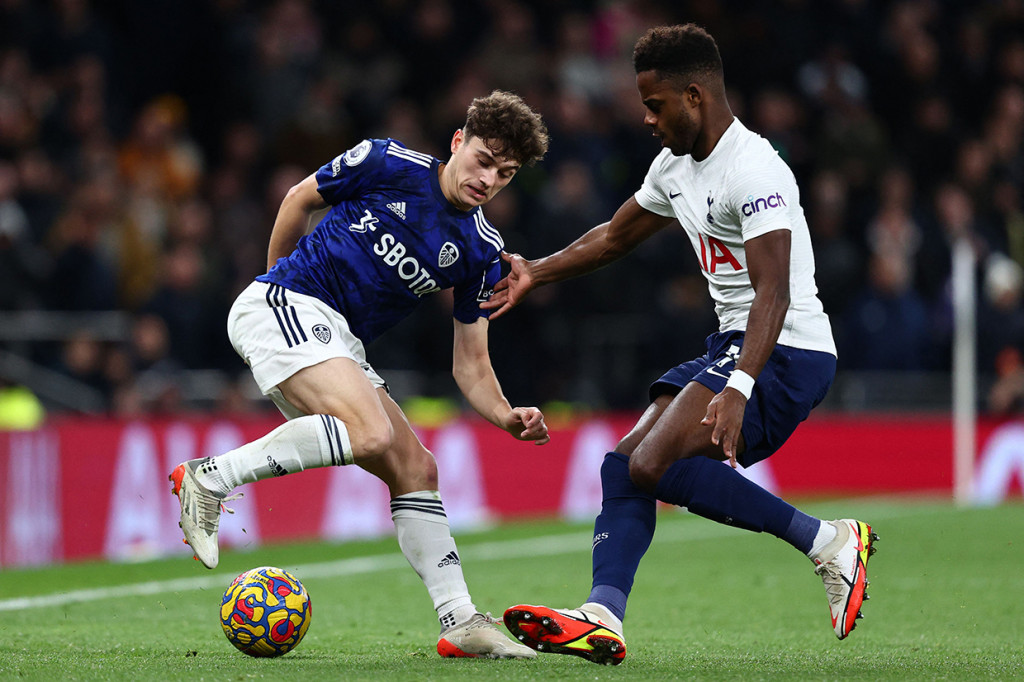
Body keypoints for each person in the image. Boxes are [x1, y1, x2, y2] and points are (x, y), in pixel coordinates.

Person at [484, 26, 878, 665]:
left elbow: (772, 294)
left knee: (650, 464)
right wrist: (537, 269)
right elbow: (614, 236)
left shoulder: (755, 170)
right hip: (733, 341)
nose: (646, 117)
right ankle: (602, 616)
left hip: (786, 350)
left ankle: (828, 542)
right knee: (625, 465)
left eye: (656, 103)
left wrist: (740, 387)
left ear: (694, 95)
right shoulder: (673, 167)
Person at [169, 91, 551, 660]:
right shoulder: (387, 163)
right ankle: (210, 475)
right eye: (483, 158)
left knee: (416, 467)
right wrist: (275, 281)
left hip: (337, 341)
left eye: (505, 172)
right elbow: (298, 200)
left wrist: (504, 414)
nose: (489, 178)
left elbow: (470, 361)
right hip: (286, 301)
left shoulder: (480, 250)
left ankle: (461, 622)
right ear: (457, 141)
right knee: (370, 431)